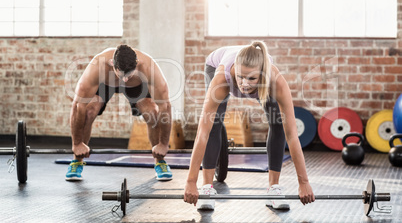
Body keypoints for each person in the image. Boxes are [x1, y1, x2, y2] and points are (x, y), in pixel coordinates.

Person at [183, 41, 315, 210]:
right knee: (213, 122)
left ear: (262, 75)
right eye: (240, 77)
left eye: (251, 78)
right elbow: (203, 132)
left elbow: (292, 135)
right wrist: (190, 181)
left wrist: (303, 182)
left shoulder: (275, 82)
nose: (244, 84)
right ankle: (207, 187)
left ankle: (273, 188)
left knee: (278, 123)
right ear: (235, 71)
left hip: (263, 84)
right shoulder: (222, 78)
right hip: (215, 62)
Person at [66, 44, 173, 181]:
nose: (125, 80)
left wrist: (164, 144)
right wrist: (76, 143)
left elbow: (165, 107)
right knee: (88, 111)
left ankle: (160, 161)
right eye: (122, 75)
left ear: (137, 64)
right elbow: (78, 106)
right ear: (112, 63)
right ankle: (77, 161)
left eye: (129, 75)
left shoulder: (148, 67)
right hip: (105, 84)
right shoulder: (97, 66)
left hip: (137, 86)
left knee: (152, 113)